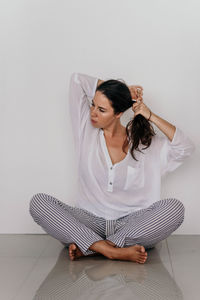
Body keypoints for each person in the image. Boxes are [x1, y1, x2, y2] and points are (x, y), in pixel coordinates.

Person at [29, 72, 195, 264]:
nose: (93, 113)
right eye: (92, 105)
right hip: (89, 221)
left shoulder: (146, 144)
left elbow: (186, 147)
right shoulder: (86, 130)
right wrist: (125, 91)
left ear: (118, 114)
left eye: (101, 109)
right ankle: (112, 250)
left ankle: (92, 247)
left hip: (132, 224)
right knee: (39, 202)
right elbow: (77, 80)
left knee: (174, 209)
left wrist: (150, 115)